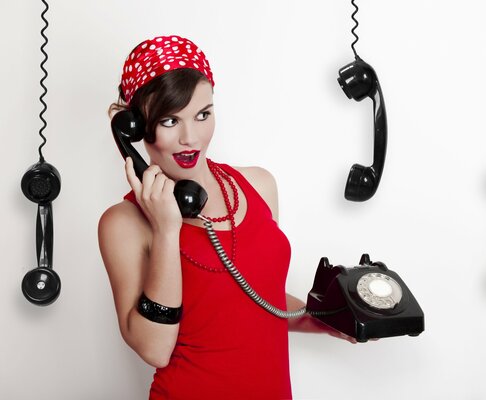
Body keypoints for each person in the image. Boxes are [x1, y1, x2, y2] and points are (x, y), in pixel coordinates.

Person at [98, 35, 350, 400]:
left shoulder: (258, 185)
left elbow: (255, 299)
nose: (191, 137)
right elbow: (154, 348)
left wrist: (331, 320)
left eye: (203, 114)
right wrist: (167, 230)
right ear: (134, 127)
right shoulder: (122, 223)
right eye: (170, 120)